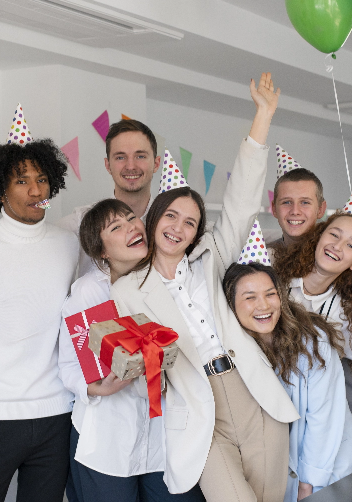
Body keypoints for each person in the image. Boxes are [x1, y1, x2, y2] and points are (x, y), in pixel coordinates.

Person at [111, 73, 300, 502]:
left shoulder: (211, 257)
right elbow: (143, 364)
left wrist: (263, 117)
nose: (179, 228)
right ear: (154, 218)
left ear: (199, 232)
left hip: (252, 391)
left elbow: (241, 199)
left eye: (191, 222)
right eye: (171, 217)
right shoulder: (127, 290)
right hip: (199, 412)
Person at [58, 199, 205, 502]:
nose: (131, 227)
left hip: (163, 437)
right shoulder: (88, 292)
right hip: (106, 441)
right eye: (116, 227)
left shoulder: (166, 278)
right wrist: (98, 388)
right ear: (101, 250)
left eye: (131, 218)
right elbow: (70, 366)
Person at [223, 261, 352, 501]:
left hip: (323, 468)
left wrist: (308, 483)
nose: (263, 305)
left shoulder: (314, 342)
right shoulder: (231, 350)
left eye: (270, 294)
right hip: (274, 473)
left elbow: (323, 418)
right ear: (230, 305)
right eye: (250, 297)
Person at [0, 105, 79, 502]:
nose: (36, 191)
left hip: (55, 413)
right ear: (2, 189)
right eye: (21, 181)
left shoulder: (68, 244)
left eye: (43, 179)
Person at [273, 210, 352, 467]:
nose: (337, 246)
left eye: (351, 245)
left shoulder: (347, 315)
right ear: (319, 236)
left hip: (304, 418)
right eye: (334, 235)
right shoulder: (272, 273)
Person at [57, 119, 161, 277]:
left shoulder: (171, 225)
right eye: (120, 157)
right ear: (107, 165)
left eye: (140, 156)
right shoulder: (77, 224)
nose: (131, 166)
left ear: (156, 163)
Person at [270, 163, 326, 247]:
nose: (295, 211)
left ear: (320, 209)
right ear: (274, 209)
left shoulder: (333, 255)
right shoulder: (261, 256)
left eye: (305, 202)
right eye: (286, 202)